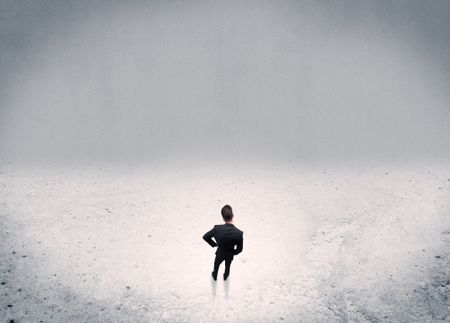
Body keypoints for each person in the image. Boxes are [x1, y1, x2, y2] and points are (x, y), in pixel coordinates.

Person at [203, 205, 244, 281]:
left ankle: (215, 275)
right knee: (228, 266)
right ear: (233, 216)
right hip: (230, 254)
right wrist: (233, 252)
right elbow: (239, 249)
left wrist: (215, 244)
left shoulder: (217, 229)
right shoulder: (239, 233)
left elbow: (205, 237)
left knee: (216, 264)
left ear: (223, 217)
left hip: (220, 252)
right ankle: (226, 275)